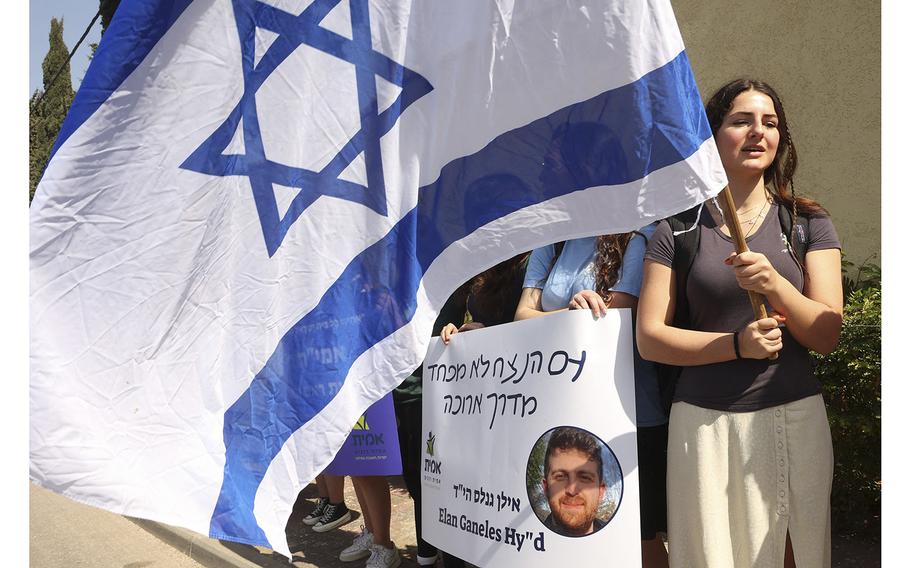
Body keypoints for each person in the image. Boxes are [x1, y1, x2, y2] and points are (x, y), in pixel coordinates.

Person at [636, 78, 843, 568]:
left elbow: (827, 333)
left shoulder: (808, 223)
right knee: (711, 557)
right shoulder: (676, 229)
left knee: (795, 554)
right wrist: (735, 344)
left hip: (793, 417)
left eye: (769, 123)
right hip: (703, 424)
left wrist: (776, 285)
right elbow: (651, 338)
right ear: (713, 136)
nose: (757, 132)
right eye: (741, 121)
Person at [514, 227, 669, 567]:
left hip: (630, 414)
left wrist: (570, 318)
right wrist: (571, 318)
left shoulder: (636, 237)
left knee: (639, 537)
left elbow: (622, 310)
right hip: (562, 411)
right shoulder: (551, 239)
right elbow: (522, 314)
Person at [540, 427, 607, 537]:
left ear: (600, 491)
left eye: (585, 478)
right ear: (546, 488)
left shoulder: (621, 544)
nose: (572, 490)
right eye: (560, 477)